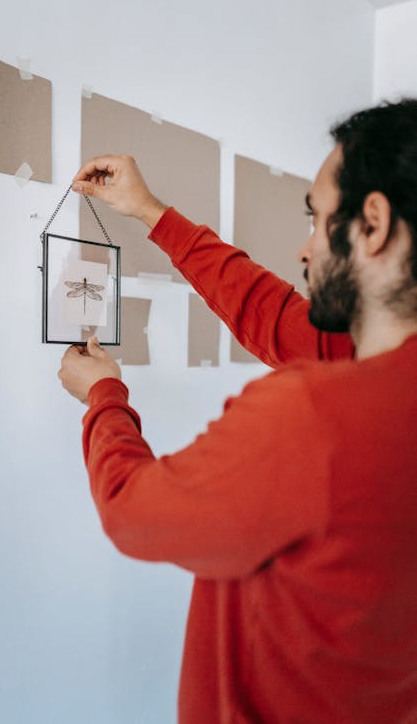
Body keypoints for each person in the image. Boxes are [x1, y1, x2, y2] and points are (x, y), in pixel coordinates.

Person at [58, 99, 417, 724]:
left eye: (316, 219)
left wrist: (104, 396)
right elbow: (273, 316)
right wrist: (152, 213)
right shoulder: (367, 368)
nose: (304, 251)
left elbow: (132, 510)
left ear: (372, 223)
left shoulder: (314, 415)